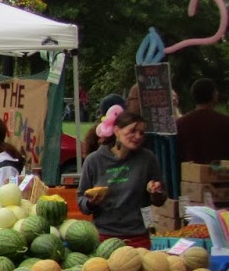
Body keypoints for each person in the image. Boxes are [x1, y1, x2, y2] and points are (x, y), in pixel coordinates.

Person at [79, 107, 168, 247]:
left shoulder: (148, 159)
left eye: (142, 133)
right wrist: (91, 203)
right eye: (132, 131)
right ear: (116, 131)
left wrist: (155, 192)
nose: (138, 136)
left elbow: (160, 199)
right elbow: (81, 201)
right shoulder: (94, 160)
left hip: (138, 237)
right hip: (104, 238)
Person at [176, 78, 229, 166]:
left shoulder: (180, 123)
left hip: (190, 176)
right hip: (221, 175)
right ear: (214, 95)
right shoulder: (225, 122)